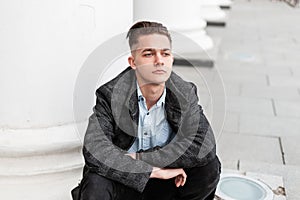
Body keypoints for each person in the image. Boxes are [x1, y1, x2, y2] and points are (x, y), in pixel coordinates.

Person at [77, 21, 221, 200]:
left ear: (171, 60)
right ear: (133, 62)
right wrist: (149, 171)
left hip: (167, 183)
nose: (159, 60)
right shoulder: (111, 94)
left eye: (165, 53)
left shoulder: (185, 92)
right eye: (149, 53)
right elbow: (95, 150)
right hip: (125, 183)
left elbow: (204, 145)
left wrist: (140, 158)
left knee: (209, 168)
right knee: (96, 182)